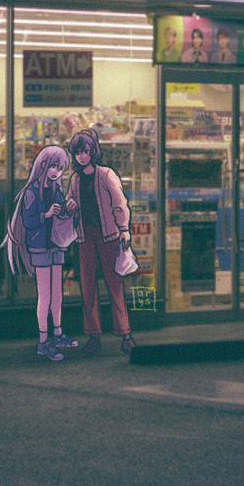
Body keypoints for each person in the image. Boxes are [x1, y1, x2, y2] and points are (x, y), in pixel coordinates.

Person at [2, 145, 80, 361]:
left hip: (55, 244)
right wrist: (46, 214)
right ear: (43, 165)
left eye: (60, 168)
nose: (56, 172)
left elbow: (62, 212)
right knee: (44, 294)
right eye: (53, 166)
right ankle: (43, 341)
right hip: (39, 246)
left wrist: (68, 208)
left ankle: (58, 333)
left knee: (57, 292)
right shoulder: (31, 192)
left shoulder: (55, 189)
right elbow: (28, 222)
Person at [65, 129, 135, 355]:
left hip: (109, 235)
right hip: (85, 236)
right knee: (88, 287)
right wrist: (70, 205)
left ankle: (125, 334)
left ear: (93, 152)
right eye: (77, 152)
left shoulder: (106, 175)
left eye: (85, 151)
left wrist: (124, 228)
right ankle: (94, 334)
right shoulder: (75, 180)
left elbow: (119, 202)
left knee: (115, 285)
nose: (81, 157)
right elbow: (69, 202)